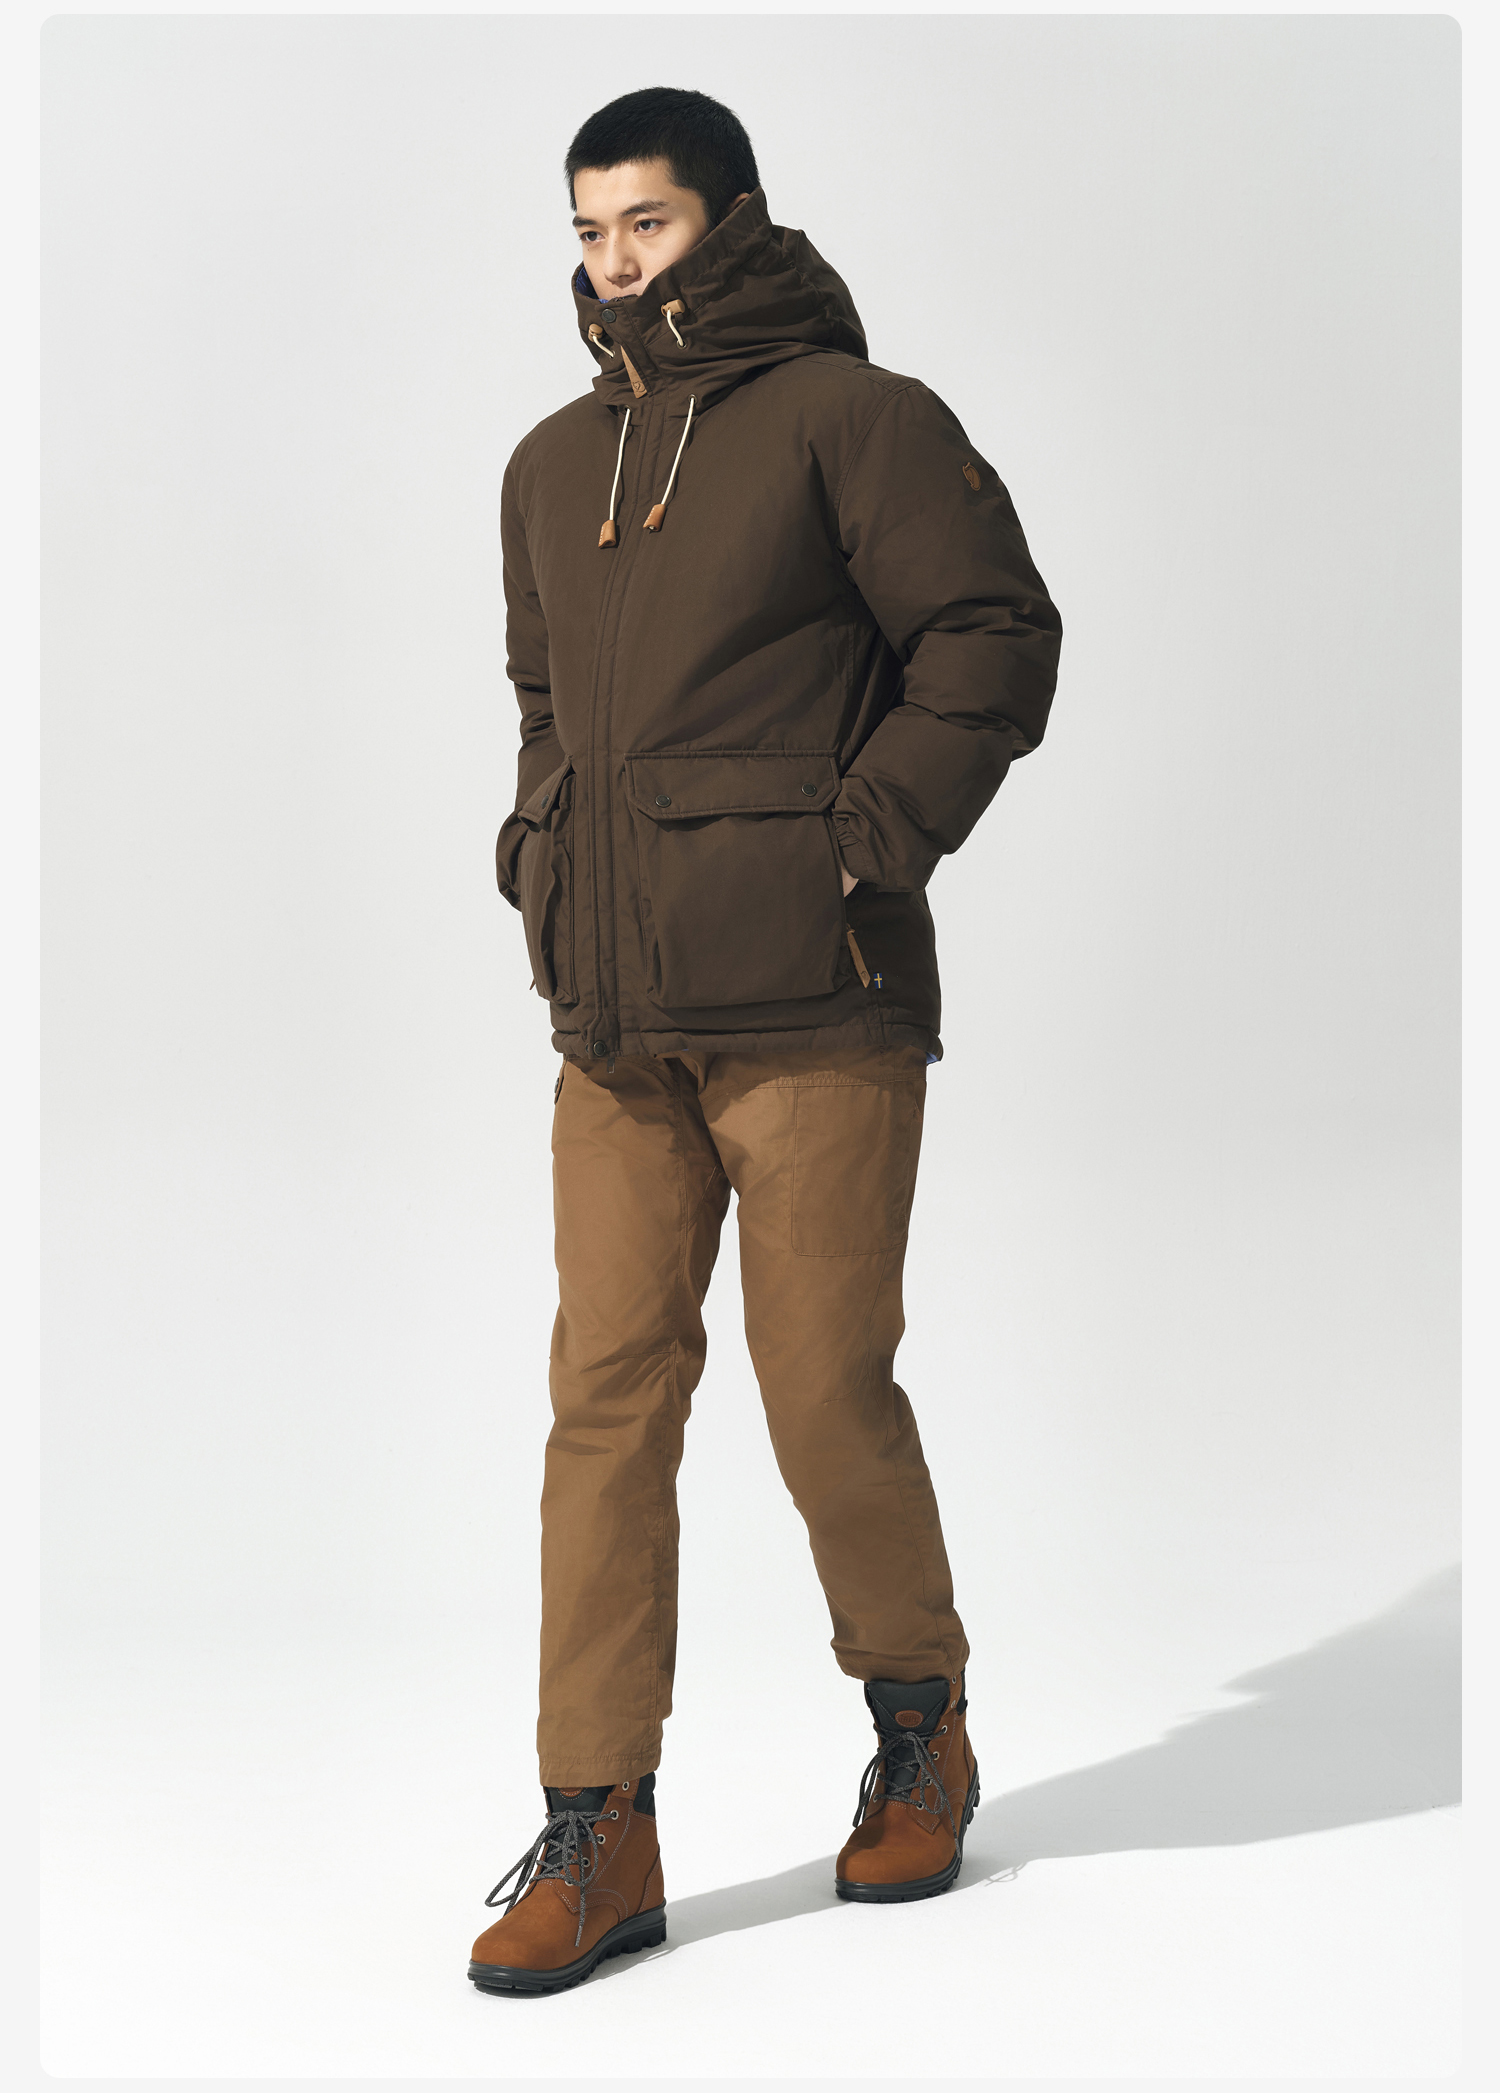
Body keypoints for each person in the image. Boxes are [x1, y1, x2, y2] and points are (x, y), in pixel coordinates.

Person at [468, 86, 1062, 1997]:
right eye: (587, 232)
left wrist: (856, 843)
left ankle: (918, 1727)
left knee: (823, 1392)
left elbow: (994, 635)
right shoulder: (554, 463)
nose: (611, 262)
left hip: (817, 1006)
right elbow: (545, 701)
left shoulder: (850, 418)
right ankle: (599, 1824)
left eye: (643, 223)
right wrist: (541, 851)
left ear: (728, 221)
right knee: (603, 1404)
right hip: (614, 1022)